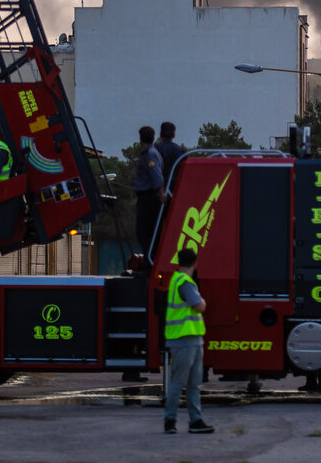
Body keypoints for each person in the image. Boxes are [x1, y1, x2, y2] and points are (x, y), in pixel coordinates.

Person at [163, 248, 213, 435]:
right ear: (195, 263)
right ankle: (175, 420)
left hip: (187, 339)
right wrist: (203, 301)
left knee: (187, 382)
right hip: (186, 339)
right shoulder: (186, 283)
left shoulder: (177, 280)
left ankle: (192, 421)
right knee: (185, 382)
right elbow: (199, 306)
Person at [134, 125, 166, 259]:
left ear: (141, 139)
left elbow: (156, 175)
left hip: (148, 198)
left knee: (144, 232)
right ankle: (150, 259)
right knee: (149, 232)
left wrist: (161, 193)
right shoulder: (152, 152)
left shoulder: (150, 154)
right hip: (149, 197)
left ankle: (150, 261)